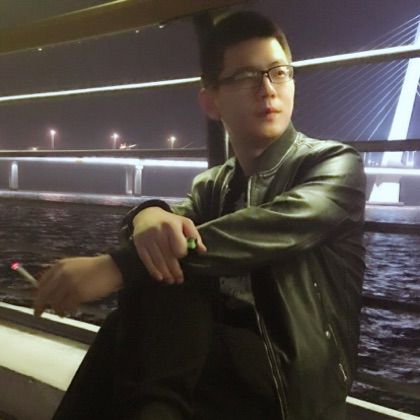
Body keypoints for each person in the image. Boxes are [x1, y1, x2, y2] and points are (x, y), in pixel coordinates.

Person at [34, 11, 366, 420]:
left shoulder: (335, 165)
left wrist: (116, 267)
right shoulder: (213, 185)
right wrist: (147, 214)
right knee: (155, 287)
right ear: (211, 101)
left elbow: (259, 231)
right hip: (212, 359)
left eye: (279, 73)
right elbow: (165, 233)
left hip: (290, 383)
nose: (267, 89)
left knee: (136, 318)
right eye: (246, 76)